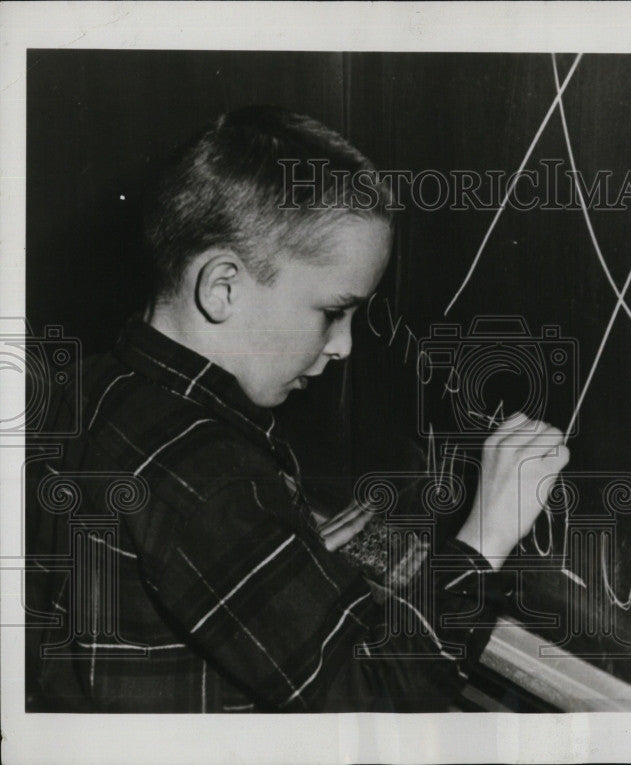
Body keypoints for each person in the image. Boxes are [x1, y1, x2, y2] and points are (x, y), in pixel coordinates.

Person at [25, 105, 569, 712]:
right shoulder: (213, 481)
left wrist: (277, 565)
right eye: (332, 312)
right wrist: (487, 535)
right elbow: (373, 704)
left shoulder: (82, 385)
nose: (344, 346)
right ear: (222, 288)